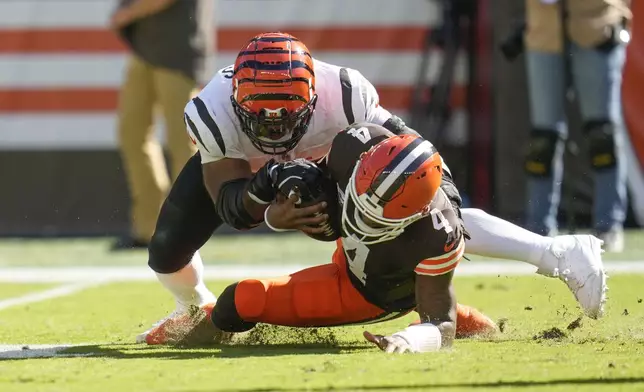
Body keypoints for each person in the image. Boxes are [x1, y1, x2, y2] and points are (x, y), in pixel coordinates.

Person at [137, 32, 606, 345]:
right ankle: (193, 306)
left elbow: (422, 167)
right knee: (165, 250)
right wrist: (267, 205)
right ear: (236, 99)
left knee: (422, 203)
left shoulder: (346, 95)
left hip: (338, 160)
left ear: (314, 97)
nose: (275, 130)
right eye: (260, 116)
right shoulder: (210, 111)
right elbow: (232, 206)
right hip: (250, 176)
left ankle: (555, 253)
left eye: (287, 115)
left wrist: (435, 212)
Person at [522, 0, 631, 251]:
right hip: (543, 29)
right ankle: (539, 227)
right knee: (543, 139)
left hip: (597, 24)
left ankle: (608, 224)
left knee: (601, 134)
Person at [109, 0, 213, 249]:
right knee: (132, 134)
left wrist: (128, 12)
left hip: (178, 52)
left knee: (184, 141)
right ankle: (149, 228)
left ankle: (186, 228)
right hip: (144, 51)